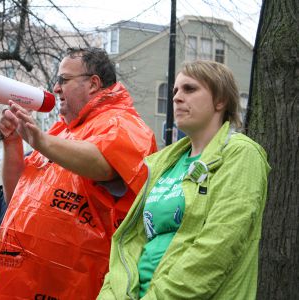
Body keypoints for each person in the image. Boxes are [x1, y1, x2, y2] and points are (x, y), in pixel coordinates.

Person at [0, 47, 157, 299]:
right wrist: (13, 142)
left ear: (93, 83)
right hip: (24, 286)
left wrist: (41, 141)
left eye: (63, 80)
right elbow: (17, 198)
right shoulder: (61, 132)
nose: (56, 88)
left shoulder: (125, 124)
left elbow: (103, 164)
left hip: (77, 288)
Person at [97, 60, 271, 300]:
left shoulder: (241, 154)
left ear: (220, 100)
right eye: (175, 91)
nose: (177, 98)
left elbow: (218, 247)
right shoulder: (161, 163)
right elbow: (128, 246)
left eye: (190, 89)